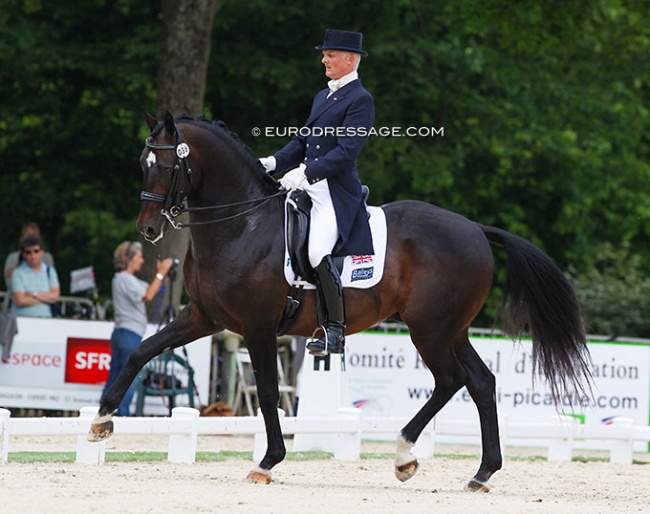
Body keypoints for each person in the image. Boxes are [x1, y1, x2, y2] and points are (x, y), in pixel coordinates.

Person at [259, 29, 374, 356]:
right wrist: (273, 162)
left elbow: (346, 151)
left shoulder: (360, 100)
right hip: (306, 185)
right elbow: (301, 143)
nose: (324, 59)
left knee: (315, 252)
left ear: (350, 59)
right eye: (324, 53)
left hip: (334, 193)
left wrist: (306, 172)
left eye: (331, 54)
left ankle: (335, 331)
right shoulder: (322, 97)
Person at [101, 241, 174, 416]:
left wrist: (161, 276)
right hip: (129, 335)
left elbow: (151, 290)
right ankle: (121, 414)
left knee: (115, 377)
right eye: (139, 257)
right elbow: (148, 295)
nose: (141, 261)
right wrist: (160, 273)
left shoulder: (126, 280)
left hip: (122, 334)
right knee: (128, 378)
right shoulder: (124, 279)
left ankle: (103, 412)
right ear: (128, 259)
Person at [10, 234, 60, 318]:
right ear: (24, 255)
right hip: (22, 319)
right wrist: (45, 298)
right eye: (28, 252)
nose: (33, 256)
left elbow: (55, 296)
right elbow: (20, 301)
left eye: (36, 251)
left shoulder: (50, 271)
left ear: (42, 252)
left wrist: (34, 294)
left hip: (46, 319)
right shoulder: (17, 273)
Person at [4, 222, 55, 290]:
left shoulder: (47, 257)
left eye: (34, 235)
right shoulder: (12, 257)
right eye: (28, 235)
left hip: (42, 298)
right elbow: (9, 280)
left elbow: (49, 280)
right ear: (22, 237)